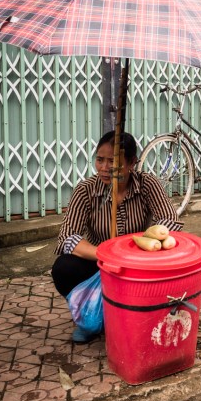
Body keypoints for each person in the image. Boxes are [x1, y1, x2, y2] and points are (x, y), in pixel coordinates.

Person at [52, 131, 183, 343]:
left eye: (112, 161)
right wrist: (106, 255)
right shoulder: (86, 190)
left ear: (132, 162)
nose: (104, 168)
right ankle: (88, 317)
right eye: (99, 160)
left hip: (140, 265)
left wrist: (145, 248)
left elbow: (170, 220)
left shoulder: (147, 184)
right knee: (63, 268)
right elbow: (67, 237)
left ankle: (139, 314)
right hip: (100, 265)